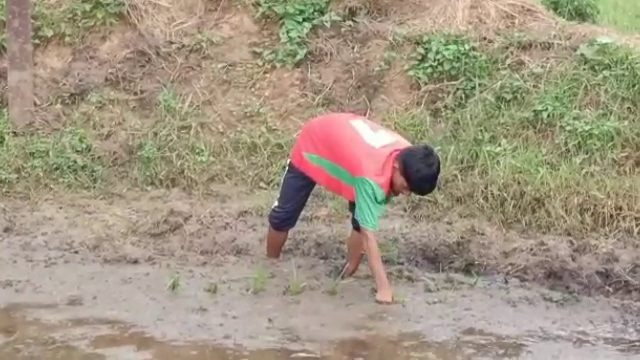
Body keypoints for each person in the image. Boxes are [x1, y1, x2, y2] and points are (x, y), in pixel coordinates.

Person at [264, 112, 440, 304]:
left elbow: (362, 223)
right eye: (406, 187)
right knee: (284, 216)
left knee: (360, 219)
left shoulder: (409, 156)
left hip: (349, 145)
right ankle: (271, 265)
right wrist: (384, 289)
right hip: (315, 140)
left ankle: (347, 272)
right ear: (397, 166)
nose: (406, 194)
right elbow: (368, 236)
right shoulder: (371, 178)